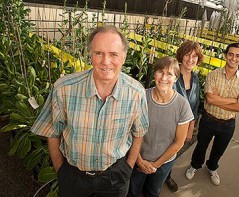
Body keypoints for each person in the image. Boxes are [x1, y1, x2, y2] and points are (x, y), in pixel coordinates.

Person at [31, 26, 149, 197]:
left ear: (123, 57)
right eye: (99, 53)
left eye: (113, 54)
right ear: (90, 55)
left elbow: (139, 132)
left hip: (115, 177)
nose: (106, 61)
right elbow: (52, 131)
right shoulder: (64, 88)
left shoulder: (136, 93)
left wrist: (128, 167)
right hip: (73, 177)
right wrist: (61, 171)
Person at [185, 43, 239, 186]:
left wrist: (218, 100)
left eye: (237, 55)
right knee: (201, 146)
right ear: (225, 55)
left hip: (228, 123)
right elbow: (209, 98)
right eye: (231, 54)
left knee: (218, 150)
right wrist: (233, 101)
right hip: (209, 120)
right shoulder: (213, 75)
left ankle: (212, 167)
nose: (233, 58)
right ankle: (195, 165)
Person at [127, 56, 194, 197]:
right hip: (137, 158)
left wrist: (155, 165)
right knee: (132, 191)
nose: (164, 78)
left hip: (163, 163)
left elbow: (178, 142)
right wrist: (139, 160)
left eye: (169, 74)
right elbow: (130, 131)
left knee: (153, 192)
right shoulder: (142, 97)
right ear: (154, 74)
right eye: (160, 72)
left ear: (176, 78)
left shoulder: (182, 105)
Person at [165, 40, 204, 192]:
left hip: (182, 128)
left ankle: (166, 176)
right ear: (181, 56)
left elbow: (194, 107)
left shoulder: (195, 79)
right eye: (187, 54)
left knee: (172, 154)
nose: (190, 59)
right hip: (167, 124)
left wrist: (190, 128)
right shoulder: (171, 74)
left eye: (195, 56)